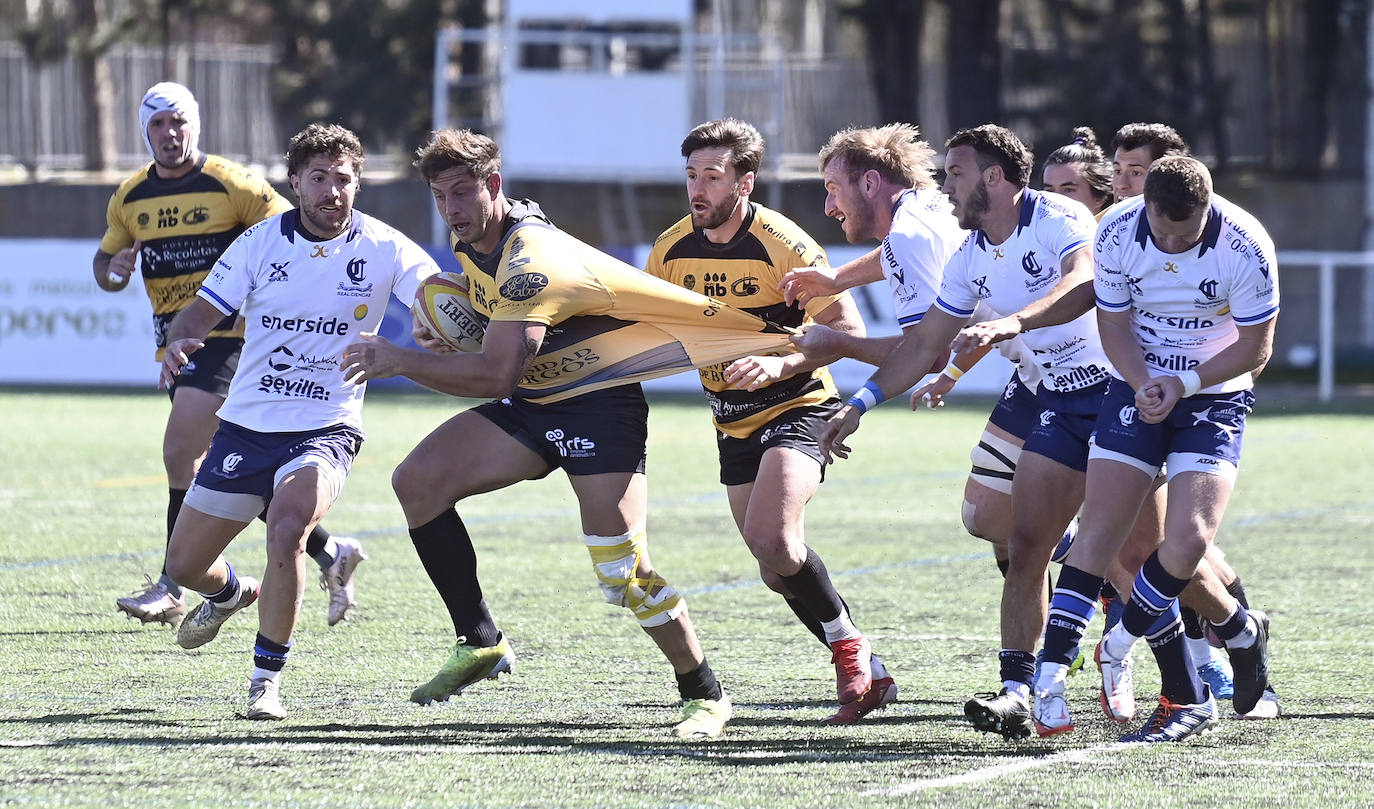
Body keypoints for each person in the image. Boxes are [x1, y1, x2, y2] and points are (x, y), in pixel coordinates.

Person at [339, 129, 797, 740]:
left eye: (462, 192)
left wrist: (400, 359)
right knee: (418, 482)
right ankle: (479, 641)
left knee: (623, 573)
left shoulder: (534, 262)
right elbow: (497, 340)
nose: (450, 208)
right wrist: (451, 328)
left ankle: (703, 693)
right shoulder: (475, 235)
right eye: (439, 195)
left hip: (598, 409)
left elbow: (495, 371)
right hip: (536, 400)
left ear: (493, 186)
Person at [813, 124, 1114, 741]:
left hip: (1120, 392)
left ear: (994, 178)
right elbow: (925, 339)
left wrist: (1010, 325)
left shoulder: (1057, 216)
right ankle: (1019, 693)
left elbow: (1084, 282)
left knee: (1148, 558)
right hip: (1047, 392)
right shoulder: (971, 252)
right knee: (1020, 538)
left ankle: (1227, 641)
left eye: (955, 173)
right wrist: (861, 401)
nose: (944, 185)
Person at [157, 123, 439, 719]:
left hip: (327, 427)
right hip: (246, 426)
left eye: (344, 179)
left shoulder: (386, 247)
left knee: (286, 528)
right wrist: (180, 343)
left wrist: (435, 324)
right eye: (320, 178)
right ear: (295, 183)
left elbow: (439, 300)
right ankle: (233, 592)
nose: (333, 190)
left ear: (358, 183)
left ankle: (266, 680)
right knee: (183, 567)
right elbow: (197, 317)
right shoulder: (260, 243)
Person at [644, 118, 893, 724]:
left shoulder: (785, 243)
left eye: (712, 176)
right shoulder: (671, 251)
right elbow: (642, 327)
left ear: (745, 182)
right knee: (776, 571)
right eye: (691, 177)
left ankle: (849, 652)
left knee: (775, 539)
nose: (698, 190)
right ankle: (875, 673)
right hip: (731, 421)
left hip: (801, 405)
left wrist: (777, 364)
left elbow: (848, 334)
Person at [95, 82, 365, 629]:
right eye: (158, 125)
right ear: (144, 132)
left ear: (195, 125)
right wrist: (115, 270)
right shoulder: (129, 196)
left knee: (179, 451)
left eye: (179, 122)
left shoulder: (234, 183)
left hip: (235, 338)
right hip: (180, 340)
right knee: (241, 470)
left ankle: (172, 586)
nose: (170, 134)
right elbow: (103, 265)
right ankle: (328, 553)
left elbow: (300, 230)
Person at [1033, 156, 1277, 742]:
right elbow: (1113, 324)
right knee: (1098, 533)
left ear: (1208, 210)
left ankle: (1119, 645)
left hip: (1212, 393)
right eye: (1159, 229)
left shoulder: (1245, 245)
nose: (1168, 242)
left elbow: (1256, 348)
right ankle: (1047, 677)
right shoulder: (1117, 229)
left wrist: (1184, 383)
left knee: (1187, 542)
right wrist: (1143, 380)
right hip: (1136, 385)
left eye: (1183, 233)